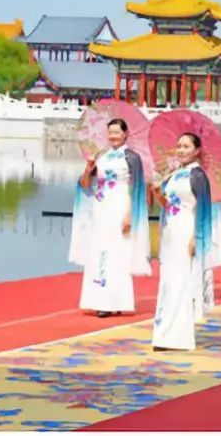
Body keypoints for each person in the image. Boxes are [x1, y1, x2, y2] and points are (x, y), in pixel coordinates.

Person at [70, 118, 150, 317]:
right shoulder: (101, 156)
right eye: (110, 132)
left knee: (118, 254)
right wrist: (88, 167)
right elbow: (85, 184)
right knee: (99, 251)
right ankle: (99, 300)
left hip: (120, 207)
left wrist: (130, 215)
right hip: (100, 209)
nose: (113, 136)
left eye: (117, 132)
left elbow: (137, 189)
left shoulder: (132, 158)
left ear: (126, 134)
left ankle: (115, 301)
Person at [150, 133, 220, 351]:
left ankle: (178, 337)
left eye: (186, 146)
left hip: (186, 231)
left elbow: (203, 209)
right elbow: (168, 205)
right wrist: (157, 194)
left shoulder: (197, 175)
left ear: (197, 150)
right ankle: (164, 334)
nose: (181, 150)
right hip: (170, 231)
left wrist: (195, 239)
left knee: (182, 282)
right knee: (168, 282)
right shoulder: (174, 174)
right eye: (179, 146)